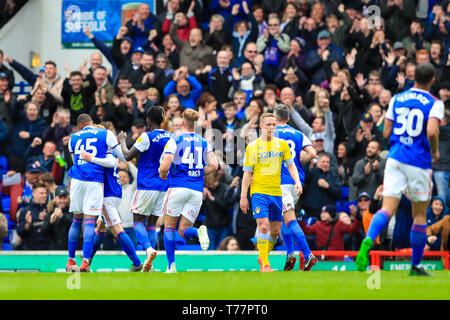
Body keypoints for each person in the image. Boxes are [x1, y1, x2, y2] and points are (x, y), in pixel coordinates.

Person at [356, 63, 444, 276]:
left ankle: (368, 240)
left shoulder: (397, 98)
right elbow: (432, 130)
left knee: (386, 209)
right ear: (432, 80)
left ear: (413, 79)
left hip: (395, 158)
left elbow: (385, 132)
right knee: (420, 215)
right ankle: (415, 266)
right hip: (418, 161)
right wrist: (435, 151)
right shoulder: (434, 103)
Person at [240, 113, 303, 272]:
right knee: (263, 226)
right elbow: (247, 174)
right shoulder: (253, 146)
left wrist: (297, 182)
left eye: (274, 124)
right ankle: (266, 265)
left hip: (277, 192)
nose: (272, 128)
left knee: (275, 230)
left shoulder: (282, 144)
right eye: (268, 124)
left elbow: (291, 166)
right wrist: (243, 196)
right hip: (259, 192)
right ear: (261, 126)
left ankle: (263, 256)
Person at [158, 109, 218, 273]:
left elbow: (165, 165)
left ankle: (171, 266)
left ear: (183, 123)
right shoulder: (203, 142)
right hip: (196, 191)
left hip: (178, 187)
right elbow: (214, 165)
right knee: (184, 231)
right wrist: (198, 172)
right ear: (196, 123)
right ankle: (198, 232)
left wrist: (163, 174)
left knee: (169, 227)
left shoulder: (175, 140)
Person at [65, 114, 126, 272]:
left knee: (76, 220)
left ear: (80, 126)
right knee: (90, 222)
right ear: (92, 123)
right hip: (94, 180)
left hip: (77, 180)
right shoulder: (105, 133)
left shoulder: (73, 137)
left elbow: (74, 159)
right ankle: (85, 261)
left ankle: (71, 261)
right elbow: (122, 157)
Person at [78, 123, 143, 272]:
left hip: (107, 194)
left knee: (116, 229)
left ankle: (137, 262)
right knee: (100, 228)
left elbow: (112, 162)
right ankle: (88, 260)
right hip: (113, 191)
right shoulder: (107, 151)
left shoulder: (102, 153)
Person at [117, 106, 174, 272]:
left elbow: (127, 155)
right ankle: (150, 264)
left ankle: (149, 250)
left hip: (147, 185)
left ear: (149, 120)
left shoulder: (146, 137)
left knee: (138, 222)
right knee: (151, 223)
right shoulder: (169, 136)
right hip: (163, 185)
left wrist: (121, 140)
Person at [273, 104, 317, 271]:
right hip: (296, 181)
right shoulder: (299, 134)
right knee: (283, 216)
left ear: (274, 118)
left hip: (281, 182)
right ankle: (290, 254)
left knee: (289, 218)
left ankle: (307, 255)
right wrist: (299, 160)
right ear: (288, 118)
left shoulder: (272, 134)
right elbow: (313, 153)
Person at [15, 183, 52, 250]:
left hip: (47, 250)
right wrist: (28, 224)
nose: (45, 195)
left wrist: (47, 218)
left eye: (45, 193)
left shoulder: (50, 209)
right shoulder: (25, 211)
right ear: (34, 195)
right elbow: (20, 233)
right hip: (29, 250)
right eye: (41, 193)